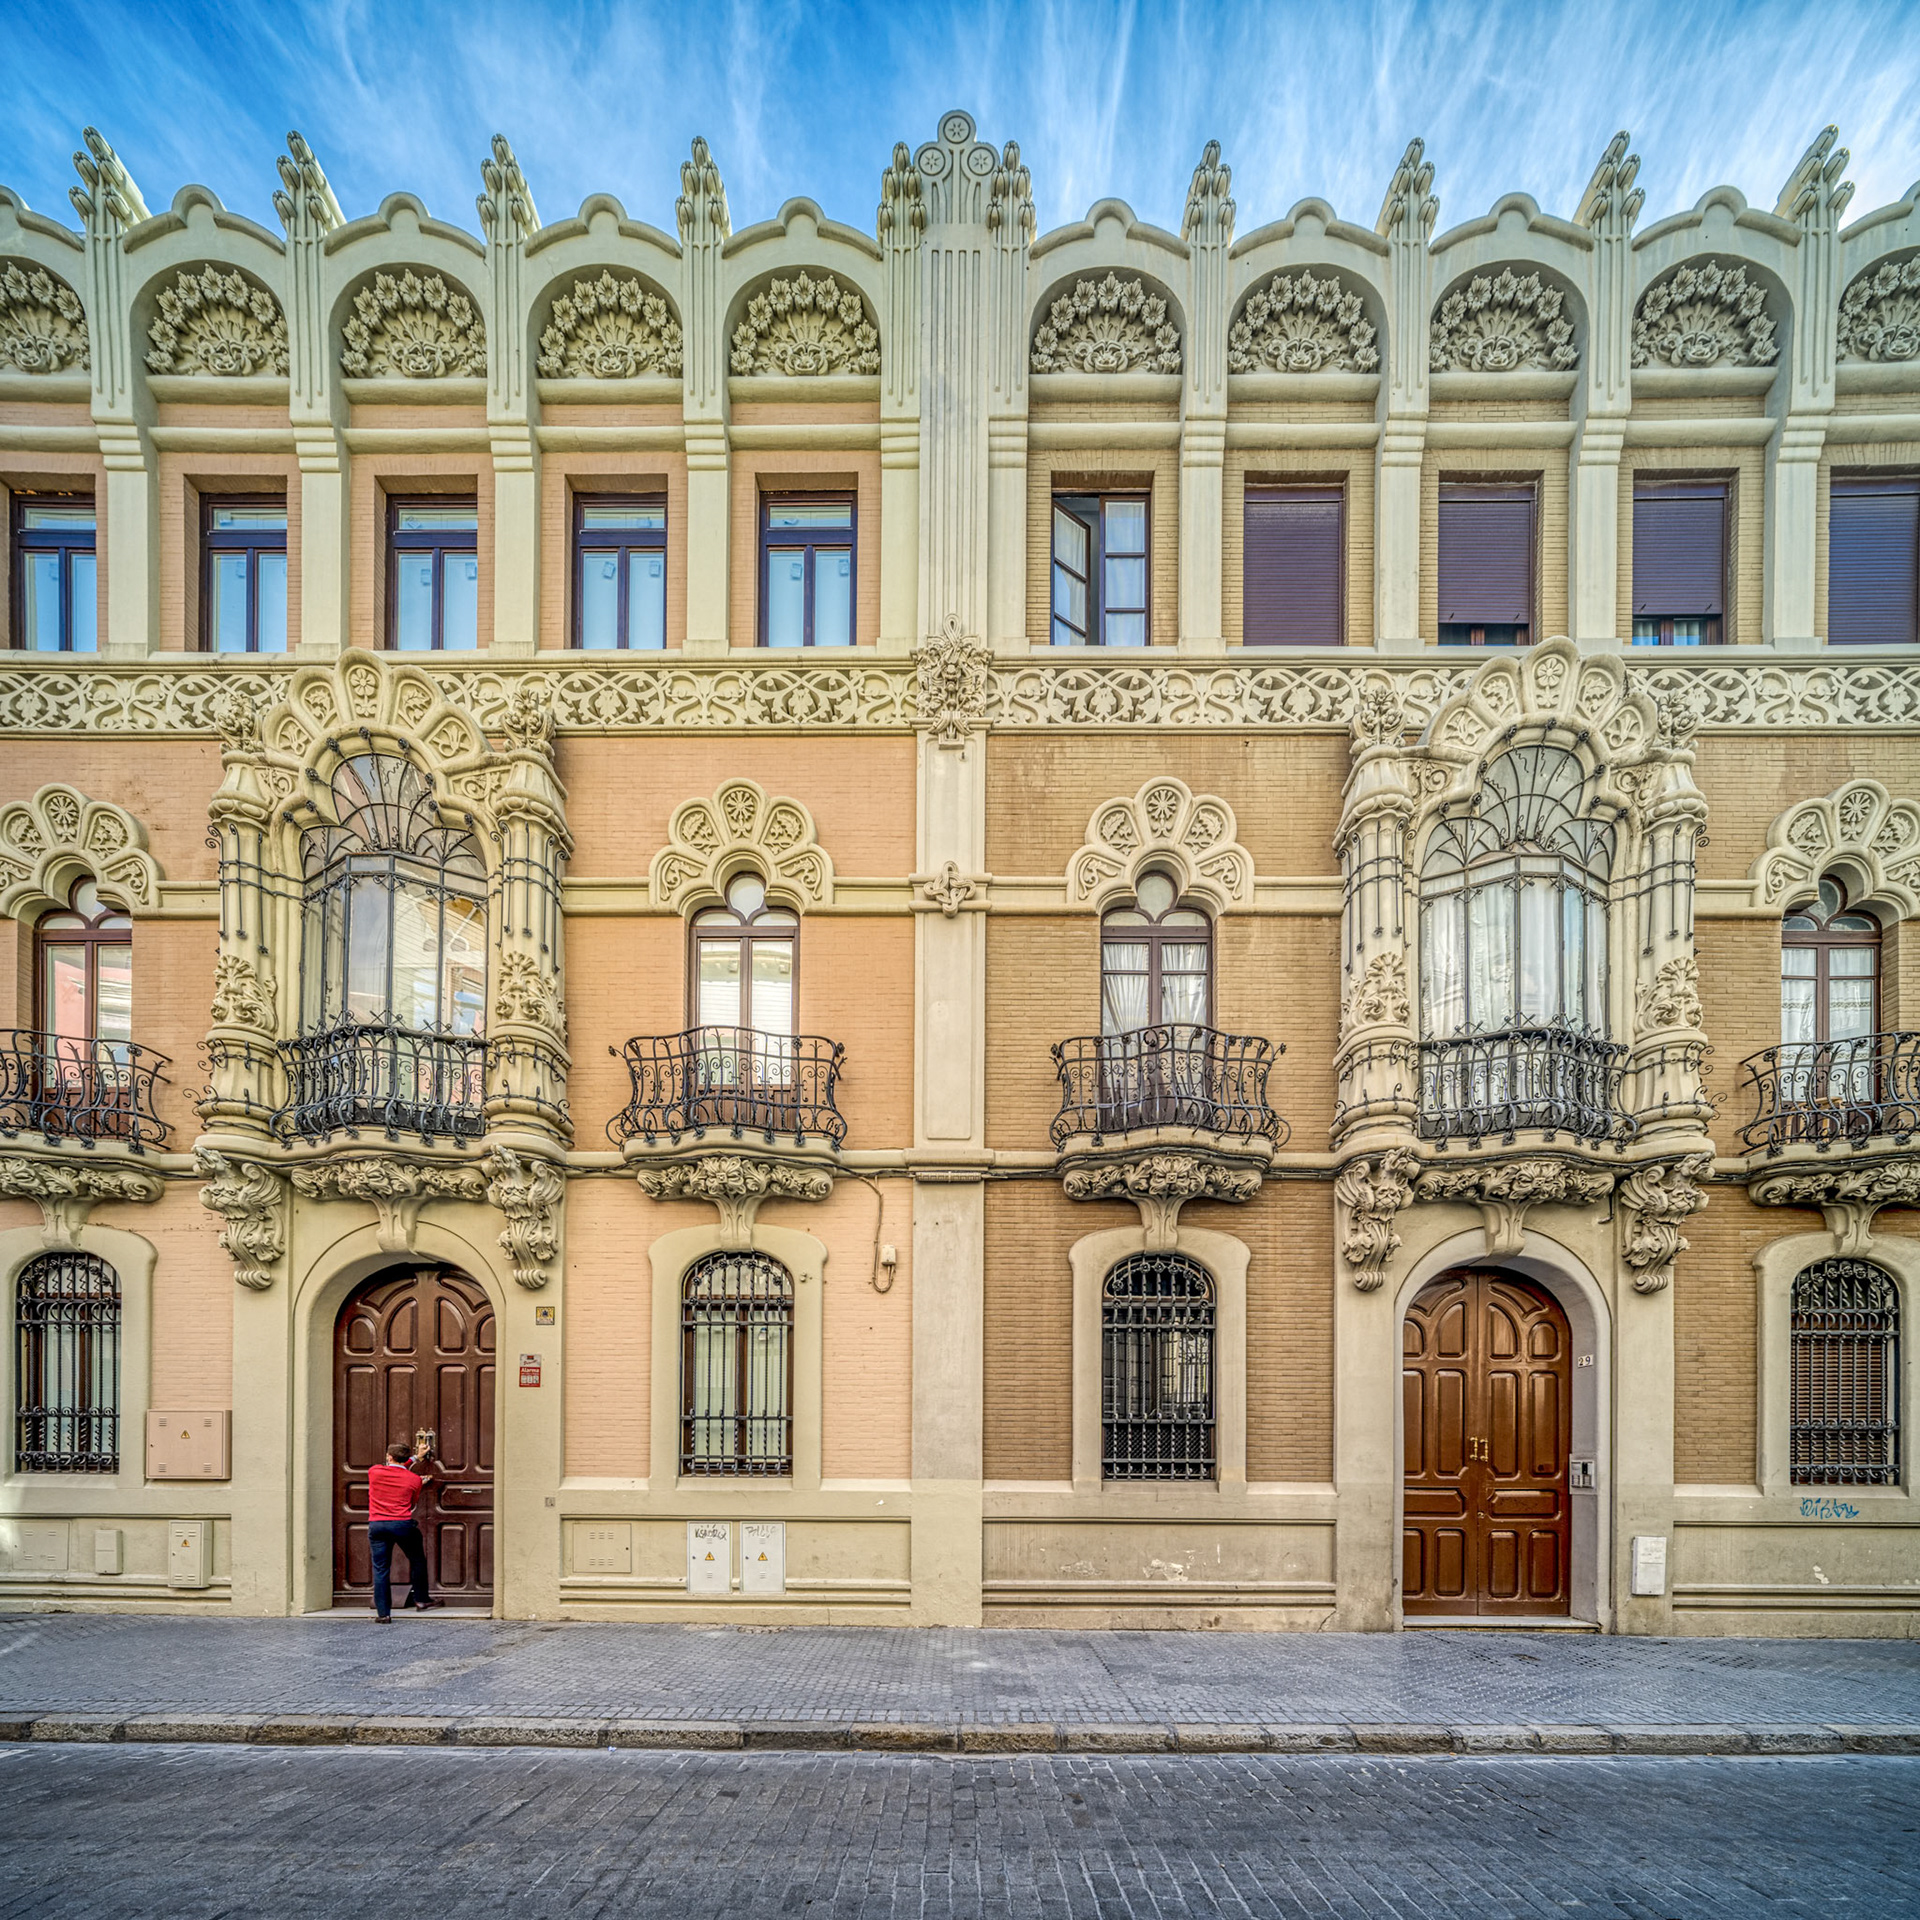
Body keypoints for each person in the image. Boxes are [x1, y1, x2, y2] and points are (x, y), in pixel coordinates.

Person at [366, 1439, 439, 1622]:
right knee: (417, 1560)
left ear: (389, 1457)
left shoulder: (374, 1472)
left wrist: (414, 1457)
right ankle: (421, 1599)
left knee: (381, 1569)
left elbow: (394, 1468)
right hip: (401, 1524)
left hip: (377, 1525)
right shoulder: (414, 1480)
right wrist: (417, 1459)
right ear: (405, 1458)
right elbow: (412, 1502)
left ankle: (383, 1614)